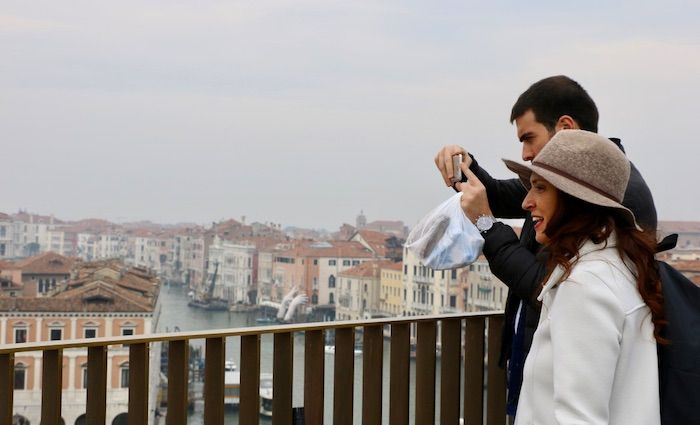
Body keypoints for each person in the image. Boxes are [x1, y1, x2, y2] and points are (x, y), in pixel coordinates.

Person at [433, 75, 657, 416]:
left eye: (528, 138)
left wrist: (486, 225)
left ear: (565, 127)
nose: (527, 201)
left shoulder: (589, 281)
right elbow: (497, 193)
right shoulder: (582, 194)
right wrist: (463, 166)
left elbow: (545, 288)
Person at [500, 129, 664, 425]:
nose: (526, 202)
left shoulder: (584, 286)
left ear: (573, 199)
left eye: (539, 188)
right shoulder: (620, 267)